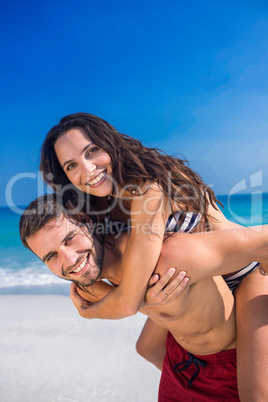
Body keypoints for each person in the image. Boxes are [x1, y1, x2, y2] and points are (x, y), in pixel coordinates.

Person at [40, 113, 268, 400]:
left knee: (255, 395)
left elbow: (126, 302)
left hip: (246, 272)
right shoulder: (100, 204)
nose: (87, 169)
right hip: (199, 284)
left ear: (109, 143)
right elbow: (97, 270)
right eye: (72, 165)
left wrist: (90, 312)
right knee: (147, 347)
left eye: (92, 151)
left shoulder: (151, 188)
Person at [20, 194, 268, 401]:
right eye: (51, 256)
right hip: (180, 363)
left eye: (70, 239)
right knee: (145, 347)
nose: (70, 260)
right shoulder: (87, 285)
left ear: (87, 222)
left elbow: (263, 242)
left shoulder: (171, 257)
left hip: (228, 363)